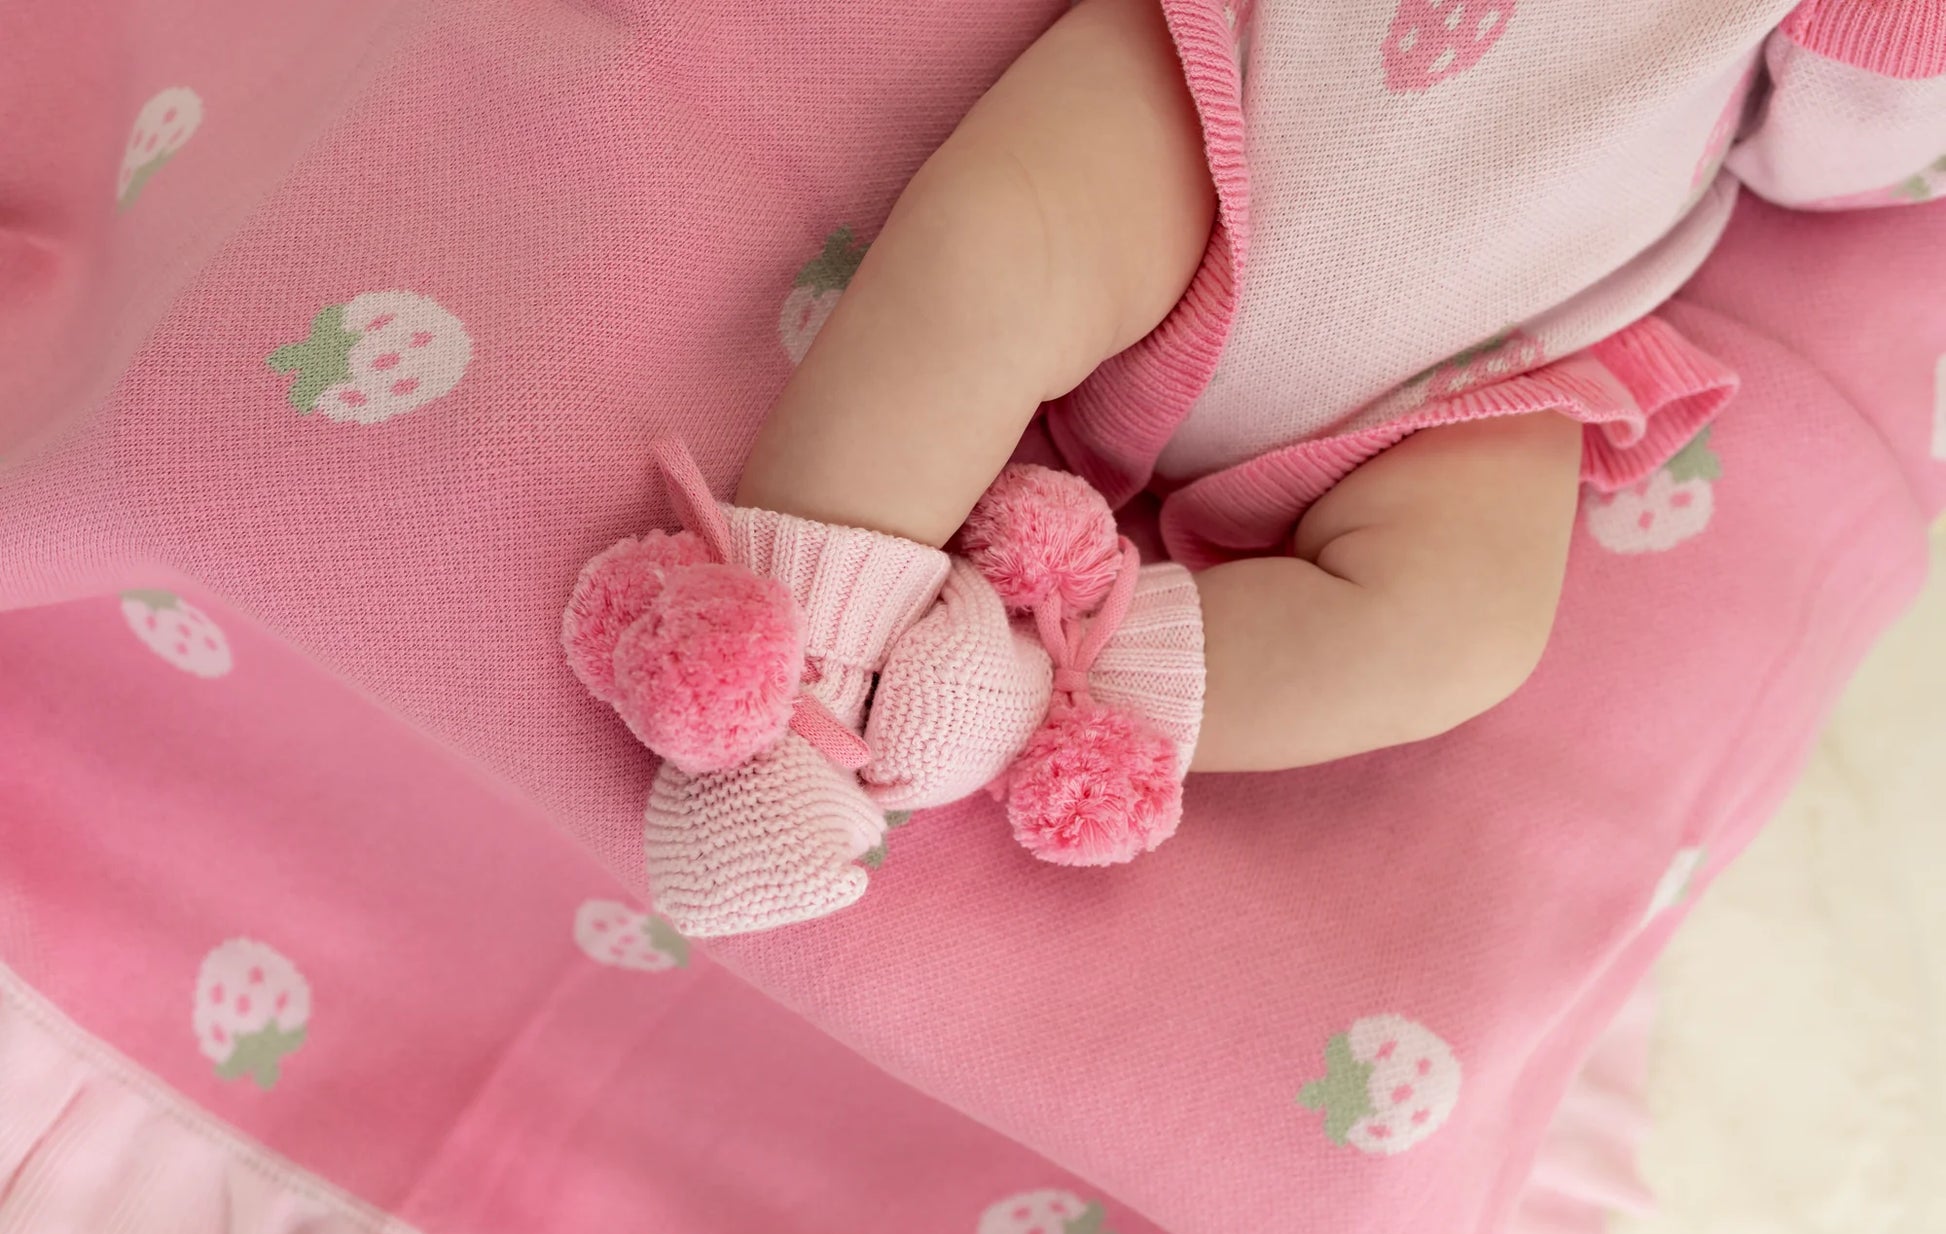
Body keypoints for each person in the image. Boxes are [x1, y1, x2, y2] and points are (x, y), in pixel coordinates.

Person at [560, 0, 1946, 935]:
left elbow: (1828, 154)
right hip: (1232, 93)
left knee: (1461, 626)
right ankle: (791, 656)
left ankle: (1031, 691)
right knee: (997, 243)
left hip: (1481, 355)